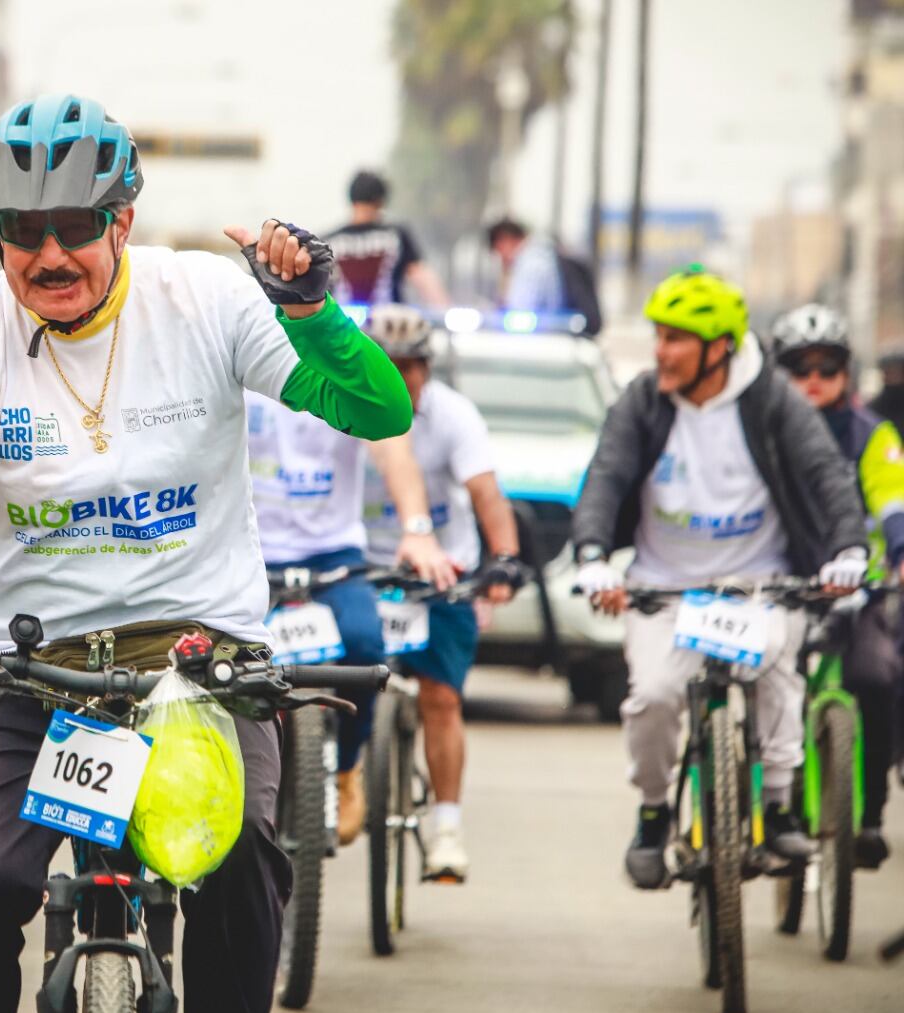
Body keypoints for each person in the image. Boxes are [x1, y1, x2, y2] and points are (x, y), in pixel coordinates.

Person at [0, 93, 411, 1013]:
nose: (50, 255)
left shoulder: (208, 300)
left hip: (199, 664)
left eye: (75, 226)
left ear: (123, 218)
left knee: (241, 863)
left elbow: (374, 407)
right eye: (24, 232)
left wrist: (315, 313)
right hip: (24, 675)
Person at [571, 265, 866, 890]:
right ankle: (654, 814)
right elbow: (606, 478)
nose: (662, 351)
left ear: (720, 347)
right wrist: (594, 554)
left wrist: (846, 549)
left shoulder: (771, 399)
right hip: (663, 589)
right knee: (651, 697)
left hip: (761, 582)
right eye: (659, 335)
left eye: (676, 338)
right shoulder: (644, 400)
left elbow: (826, 475)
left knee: (780, 676)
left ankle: (780, 804)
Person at [247, 375, 456, 848]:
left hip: (334, 552)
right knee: (230, 662)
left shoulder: (342, 361)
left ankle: (345, 770)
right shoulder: (236, 349)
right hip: (254, 549)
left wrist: (418, 529)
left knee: (364, 648)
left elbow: (391, 449)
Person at [358, 304, 524, 881]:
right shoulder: (344, 403)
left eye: (411, 366)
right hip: (361, 569)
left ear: (427, 368)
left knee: (441, 700)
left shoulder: (454, 415)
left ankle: (447, 827)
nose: (400, 377)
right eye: (387, 363)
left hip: (442, 572)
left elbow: (485, 493)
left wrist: (502, 559)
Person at [770, 303, 904, 868]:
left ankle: (869, 815)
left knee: (876, 678)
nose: (814, 382)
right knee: (761, 685)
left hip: (860, 593)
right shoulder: (763, 437)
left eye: (828, 369)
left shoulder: (873, 435)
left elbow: (894, 501)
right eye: (800, 370)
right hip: (780, 590)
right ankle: (767, 805)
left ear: (848, 375)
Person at [326, 171, 449, 309]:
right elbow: (423, 278)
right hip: (392, 325)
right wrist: (444, 310)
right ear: (380, 201)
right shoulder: (396, 234)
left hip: (342, 324)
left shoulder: (328, 242)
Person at [486, 217, 565, 315]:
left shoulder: (531, 264)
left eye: (498, 251)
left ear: (505, 240)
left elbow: (519, 308)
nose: (501, 258)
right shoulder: (540, 256)